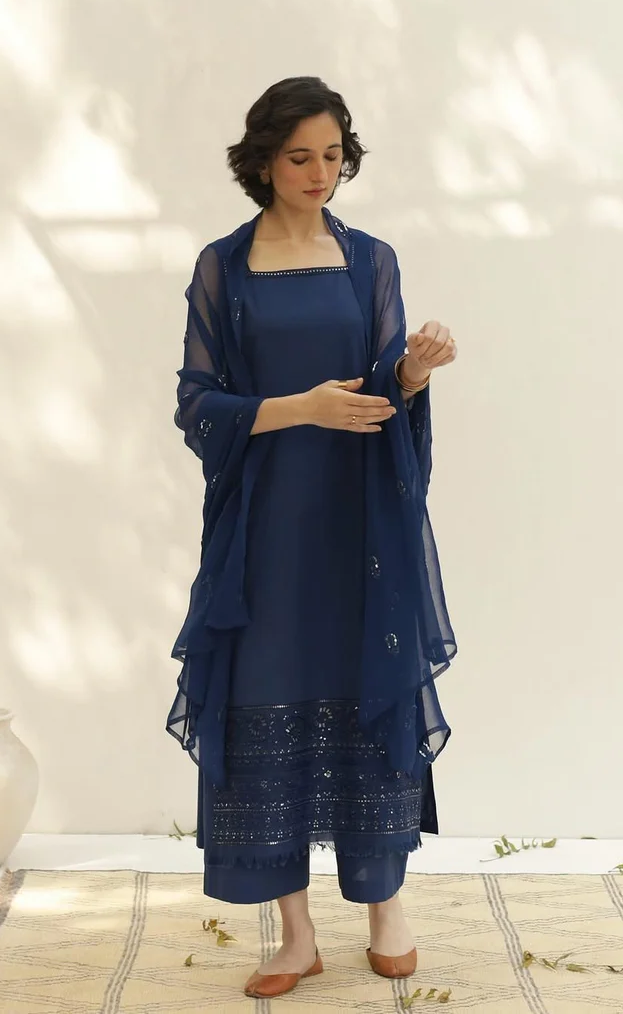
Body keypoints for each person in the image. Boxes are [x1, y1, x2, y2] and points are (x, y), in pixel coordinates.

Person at [165, 76, 458, 999]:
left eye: (333, 155)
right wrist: (299, 408)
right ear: (262, 161)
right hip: (263, 526)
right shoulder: (223, 267)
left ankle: (386, 909)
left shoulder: (370, 261)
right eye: (299, 156)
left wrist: (411, 373)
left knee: (367, 683)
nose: (319, 172)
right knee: (265, 695)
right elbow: (196, 405)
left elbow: (381, 387)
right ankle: (293, 935)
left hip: (357, 520)